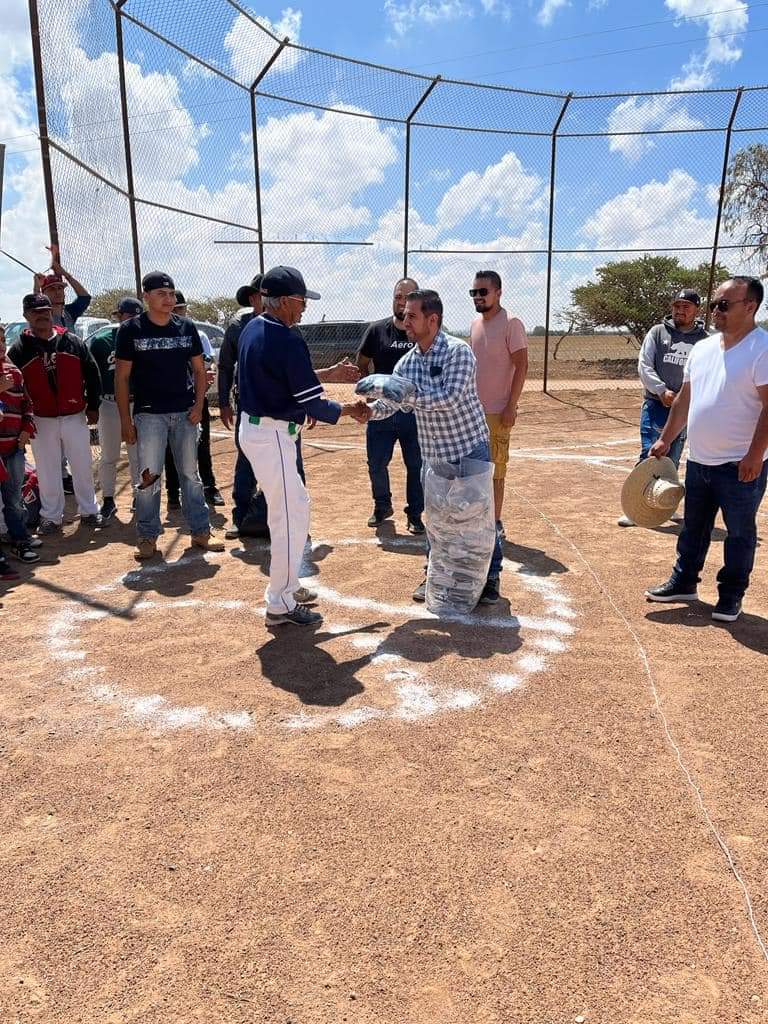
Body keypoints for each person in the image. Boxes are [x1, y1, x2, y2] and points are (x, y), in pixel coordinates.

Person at [237, 265, 367, 626]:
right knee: (291, 516)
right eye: (300, 301)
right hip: (273, 435)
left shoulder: (254, 327)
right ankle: (279, 601)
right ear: (281, 302)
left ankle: (287, 586)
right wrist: (350, 410)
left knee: (293, 510)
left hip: (261, 430)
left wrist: (310, 396)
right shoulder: (287, 337)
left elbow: (279, 381)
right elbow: (312, 402)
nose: (304, 308)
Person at [361, 289, 504, 606]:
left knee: (479, 520)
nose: (404, 320)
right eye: (404, 315)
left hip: (469, 451)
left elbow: (448, 399)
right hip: (434, 457)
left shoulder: (458, 353)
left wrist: (402, 394)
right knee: (437, 521)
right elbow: (391, 406)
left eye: (412, 316)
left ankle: (490, 577)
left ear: (432, 319)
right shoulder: (406, 363)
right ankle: (435, 572)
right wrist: (368, 411)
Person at [646, 276, 768, 622]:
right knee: (694, 528)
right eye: (715, 304)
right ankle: (685, 582)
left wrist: (754, 455)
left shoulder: (762, 348)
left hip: (740, 463)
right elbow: (685, 399)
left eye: (724, 305)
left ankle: (730, 595)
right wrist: (666, 438)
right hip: (700, 458)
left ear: (750, 307)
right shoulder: (702, 349)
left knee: (740, 533)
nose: (716, 310)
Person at [114, 271, 224, 561]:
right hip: (149, 415)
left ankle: (201, 531)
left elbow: (200, 371)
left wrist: (199, 406)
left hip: (185, 412)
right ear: (146, 297)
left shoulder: (186, 327)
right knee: (149, 478)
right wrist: (126, 421)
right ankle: (148, 536)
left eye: (172, 294)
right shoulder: (130, 330)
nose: (168, 299)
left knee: (191, 474)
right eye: (161, 294)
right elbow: (122, 378)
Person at [8, 294, 104, 533]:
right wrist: (23, 420)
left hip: (74, 413)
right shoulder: (19, 349)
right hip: (41, 417)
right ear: (26, 316)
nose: (41, 315)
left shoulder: (71, 341)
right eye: (35, 312)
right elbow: (15, 388)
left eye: (45, 310)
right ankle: (51, 516)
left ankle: (90, 511)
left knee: (82, 464)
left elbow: (92, 373)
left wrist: (93, 406)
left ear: (52, 312)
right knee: (47, 469)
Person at [619, 288, 709, 527]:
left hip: (685, 406)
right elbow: (645, 364)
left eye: (686, 306)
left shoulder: (704, 340)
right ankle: (636, 508)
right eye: (676, 306)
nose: (680, 310)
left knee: (674, 456)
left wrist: (687, 397)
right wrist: (661, 390)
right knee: (651, 451)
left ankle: (665, 506)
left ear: (696, 310)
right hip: (657, 403)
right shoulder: (658, 333)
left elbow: (707, 372)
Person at [356, 278, 424, 534]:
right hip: (381, 412)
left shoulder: (421, 332)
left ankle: (415, 514)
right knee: (376, 463)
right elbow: (362, 361)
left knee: (415, 465)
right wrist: (370, 394)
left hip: (413, 414)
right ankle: (382, 506)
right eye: (397, 296)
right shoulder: (377, 330)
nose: (401, 302)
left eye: (406, 298)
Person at [468, 270, 528, 537]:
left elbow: (522, 365)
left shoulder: (511, 323)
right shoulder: (474, 325)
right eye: (474, 293)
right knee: (472, 469)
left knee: (495, 471)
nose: (478, 297)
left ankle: (495, 522)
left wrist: (511, 406)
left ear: (498, 292)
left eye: (483, 292)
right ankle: (476, 520)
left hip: (498, 412)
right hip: (473, 412)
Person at [219, 276, 269, 538]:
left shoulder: (289, 326)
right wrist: (224, 402)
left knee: (290, 465)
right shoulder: (238, 327)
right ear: (252, 298)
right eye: (263, 295)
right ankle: (240, 516)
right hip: (249, 405)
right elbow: (225, 366)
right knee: (246, 460)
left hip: (281, 409)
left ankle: (284, 517)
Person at [164, 291, 224, 509]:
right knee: (170, 449)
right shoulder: (163, 336)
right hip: (171, 401)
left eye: (182, 309)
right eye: (175, 309)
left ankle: (209, 487)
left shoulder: (197, 334)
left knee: (202, 445)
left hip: (196, 398)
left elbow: (208, 366)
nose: (179, 313)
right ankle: (173, 492)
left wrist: (205, 381)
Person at [88, 297, 142, 519]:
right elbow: (92, 374)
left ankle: (140, 497)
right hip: (109, 403)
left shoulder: (144, 339)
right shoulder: (101, 340)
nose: (131, 321)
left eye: (136, 317)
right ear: (119, 316)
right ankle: (108, 499)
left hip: (136, 403)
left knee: (137, 453)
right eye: (127, 316)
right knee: (109, 454)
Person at [0, 331, 40, 562]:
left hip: (14, 447)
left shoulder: (14, 372)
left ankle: (19, 538)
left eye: (3, 341)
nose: (1, 346)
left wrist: (27, 429)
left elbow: (27, 404)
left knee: (14, 497)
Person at [36, 244, 92, 333]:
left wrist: (64, 273)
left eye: (60, 288)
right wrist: (36, 286)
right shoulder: (42, 315)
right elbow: (33, 306)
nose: (57, 292)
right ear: (44, 294)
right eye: (52, 289)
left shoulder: (69, 313)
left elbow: (85, 297)